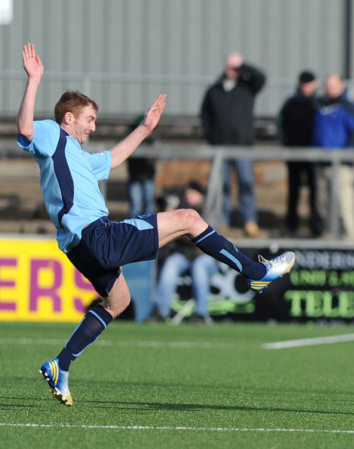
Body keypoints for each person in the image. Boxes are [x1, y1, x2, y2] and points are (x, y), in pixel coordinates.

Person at [18, 43, 295, 406]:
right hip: (95, 235)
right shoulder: (54, 136)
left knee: (118, 300)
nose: (93, 126)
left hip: (80, 248)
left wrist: (145, 129)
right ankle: (252, 271)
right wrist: (35, 80)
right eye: (89, 119)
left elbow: (113, 159)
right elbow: (24, 130)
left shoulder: (79, 158)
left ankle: (61, 365)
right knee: (189, 218)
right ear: (69, 118)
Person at [200, 52, 265, 237]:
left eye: (237, 68)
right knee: (223, 185)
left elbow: (261, 78)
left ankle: (249, 220)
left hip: (243, 145)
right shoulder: (214, 90)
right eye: (232, 67)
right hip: (220, 147)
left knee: (246, 183)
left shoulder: (247, 88)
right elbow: (205, 115)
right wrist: (211, 136)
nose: (234, 72)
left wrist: (243, 67)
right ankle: (223, 220)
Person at [150, 182, 219, 325]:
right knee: (170, 265)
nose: (188, 196)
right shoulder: (181, 209)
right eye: (187, 193)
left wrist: (179, 227)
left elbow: (202, 236)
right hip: (184, 255)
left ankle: (201, 314)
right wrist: (168, 213)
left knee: (199, 268)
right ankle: (160, 312)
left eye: (192, 193)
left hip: (205, 256)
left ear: (200, 195)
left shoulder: (208, 211)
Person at [313, 73, 354, 241]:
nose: (330, 89)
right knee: (323, 204)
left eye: (334, 85)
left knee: (344, 204)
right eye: (328, 85)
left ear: (341, 86)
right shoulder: (319, 106)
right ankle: (328, 234)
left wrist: (345, 155)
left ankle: (349, 237)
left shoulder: (348, 108)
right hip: (322, 163)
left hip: (340, 164)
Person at [277, 70, 323, 238]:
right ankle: (291, 225)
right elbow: (281, 125)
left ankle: (316, 226)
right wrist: (287, 144)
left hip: (314, 155)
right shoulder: (291, 103)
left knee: (315, 191)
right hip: (294, 153)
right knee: (294, 191)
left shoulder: (319, 104)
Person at [126, 114, 157, 217]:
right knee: (135, 206)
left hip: (148, 176)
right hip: (135, 176)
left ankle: (147, 230)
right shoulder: (130, 138)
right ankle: (134, 229)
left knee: (148, 205)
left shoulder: (153, 140)